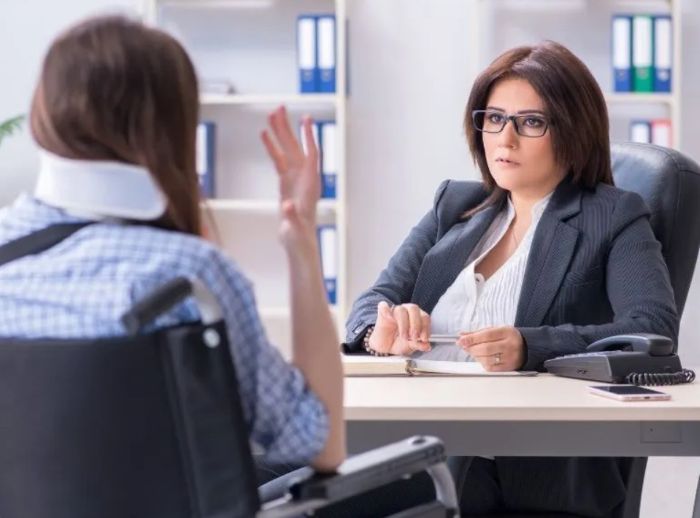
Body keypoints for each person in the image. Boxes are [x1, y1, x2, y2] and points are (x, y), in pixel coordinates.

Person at [343, 41, 678, 516]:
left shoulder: (612, 215)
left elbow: (652, 329)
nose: (505, 138)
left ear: (573, 131)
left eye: (532, 122)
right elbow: (373, 301)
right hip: (413, 438)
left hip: (511, 466)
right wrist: (380, 332)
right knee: (262, 471)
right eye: (494, 118)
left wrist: (529, 346)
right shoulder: (454, 207)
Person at [0, 15, 345, 474]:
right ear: (171, 128)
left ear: (44, 111)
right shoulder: (189, 278)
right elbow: (318, 446)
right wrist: (301, 237)